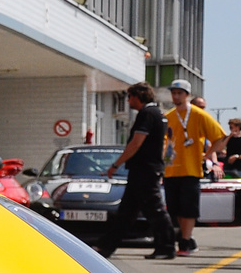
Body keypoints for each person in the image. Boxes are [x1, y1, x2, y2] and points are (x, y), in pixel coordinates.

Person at [97, 82, 176, 260]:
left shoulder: (147, 114)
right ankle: (106, 247)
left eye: (129, 97)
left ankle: (167, 246)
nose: (128, 101)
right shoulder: (157, 113)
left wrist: (116, 164)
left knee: (155, 210)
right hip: (143, 169)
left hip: (145, 171)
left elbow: (136, 143)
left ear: (137, 97)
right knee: (127, 211)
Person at [163, 78, 227, 255]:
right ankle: (187, 239)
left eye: (179, 93)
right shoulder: (168, 116)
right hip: (171, 169)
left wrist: (208, 155)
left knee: (189, 208)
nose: (176, 96)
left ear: (187, 95)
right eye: (174, 93)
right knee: (174, 208)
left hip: (191, 169)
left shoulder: (199, 115)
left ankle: (184, 241)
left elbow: (220, 137)